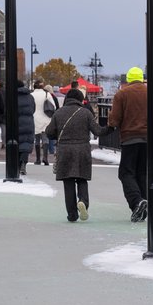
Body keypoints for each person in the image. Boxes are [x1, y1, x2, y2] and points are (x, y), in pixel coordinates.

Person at [44, 88, 105, 222]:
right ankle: (83, 201)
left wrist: (59, 134)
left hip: (65, 150)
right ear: (80, 99)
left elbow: (49, 132)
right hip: (82, 149)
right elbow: (98, 131)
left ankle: (72, 214)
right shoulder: (85, 113)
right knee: (82, 179)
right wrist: (111, 127)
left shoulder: (59, 113)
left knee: (68, 182)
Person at [107, 66, 149, 222]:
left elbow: (115, 119)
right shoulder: (150, 93)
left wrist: (110, 122)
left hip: (130, 138)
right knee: (142, 173)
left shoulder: (122, 94)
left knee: (126, 173)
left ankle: (136, 202)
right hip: (148, 139)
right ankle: (143, 206)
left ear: (128, 80)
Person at [31, 81, 57, 166]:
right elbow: (54, 106)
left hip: (35, 118)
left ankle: (38, 159)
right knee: (45, 139)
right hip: (46, 118)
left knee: (37, 139)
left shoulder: (31, 95)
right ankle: (45, 158)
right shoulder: (47, 94)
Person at [16, 79, 36, 174]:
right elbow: (33, 109)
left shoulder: (12, 97)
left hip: (16, 123)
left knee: (17, 144)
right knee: (26, 143)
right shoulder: (30, 97)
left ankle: (18, 165)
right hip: (28, 122)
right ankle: (24, 162)